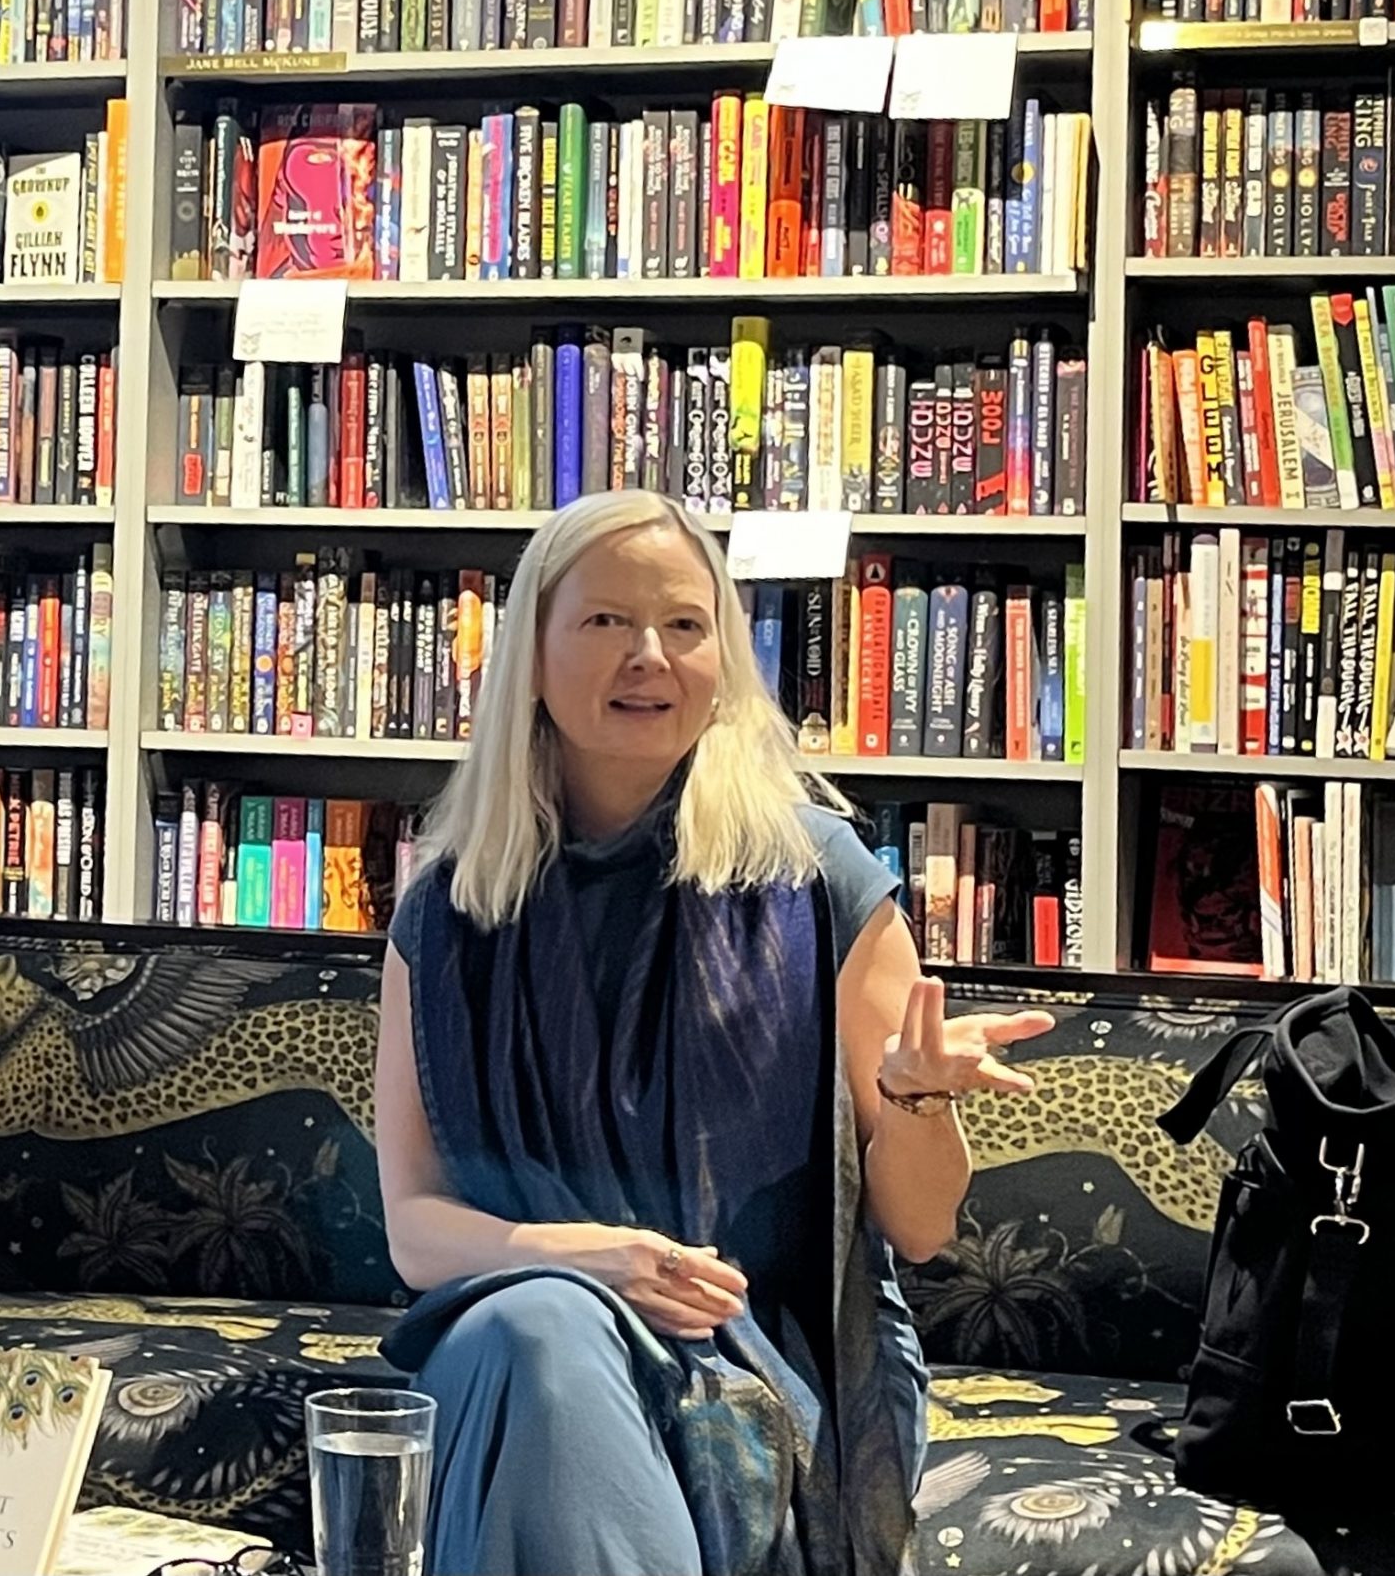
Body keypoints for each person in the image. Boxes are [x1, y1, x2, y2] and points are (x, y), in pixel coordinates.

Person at [373, 490, 1054, 1576]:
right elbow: (415, 1229)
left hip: (751, 1349)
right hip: (510, 1336)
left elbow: (920, 1233)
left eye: (684, 626)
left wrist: (919, 1099)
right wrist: (580, 1261)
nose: (648, 656)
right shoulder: (446, 908)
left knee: (542, 1341)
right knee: (539, 1328)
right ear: (532, 652)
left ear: (723, 657)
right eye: (604, 623)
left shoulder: (820, 878)